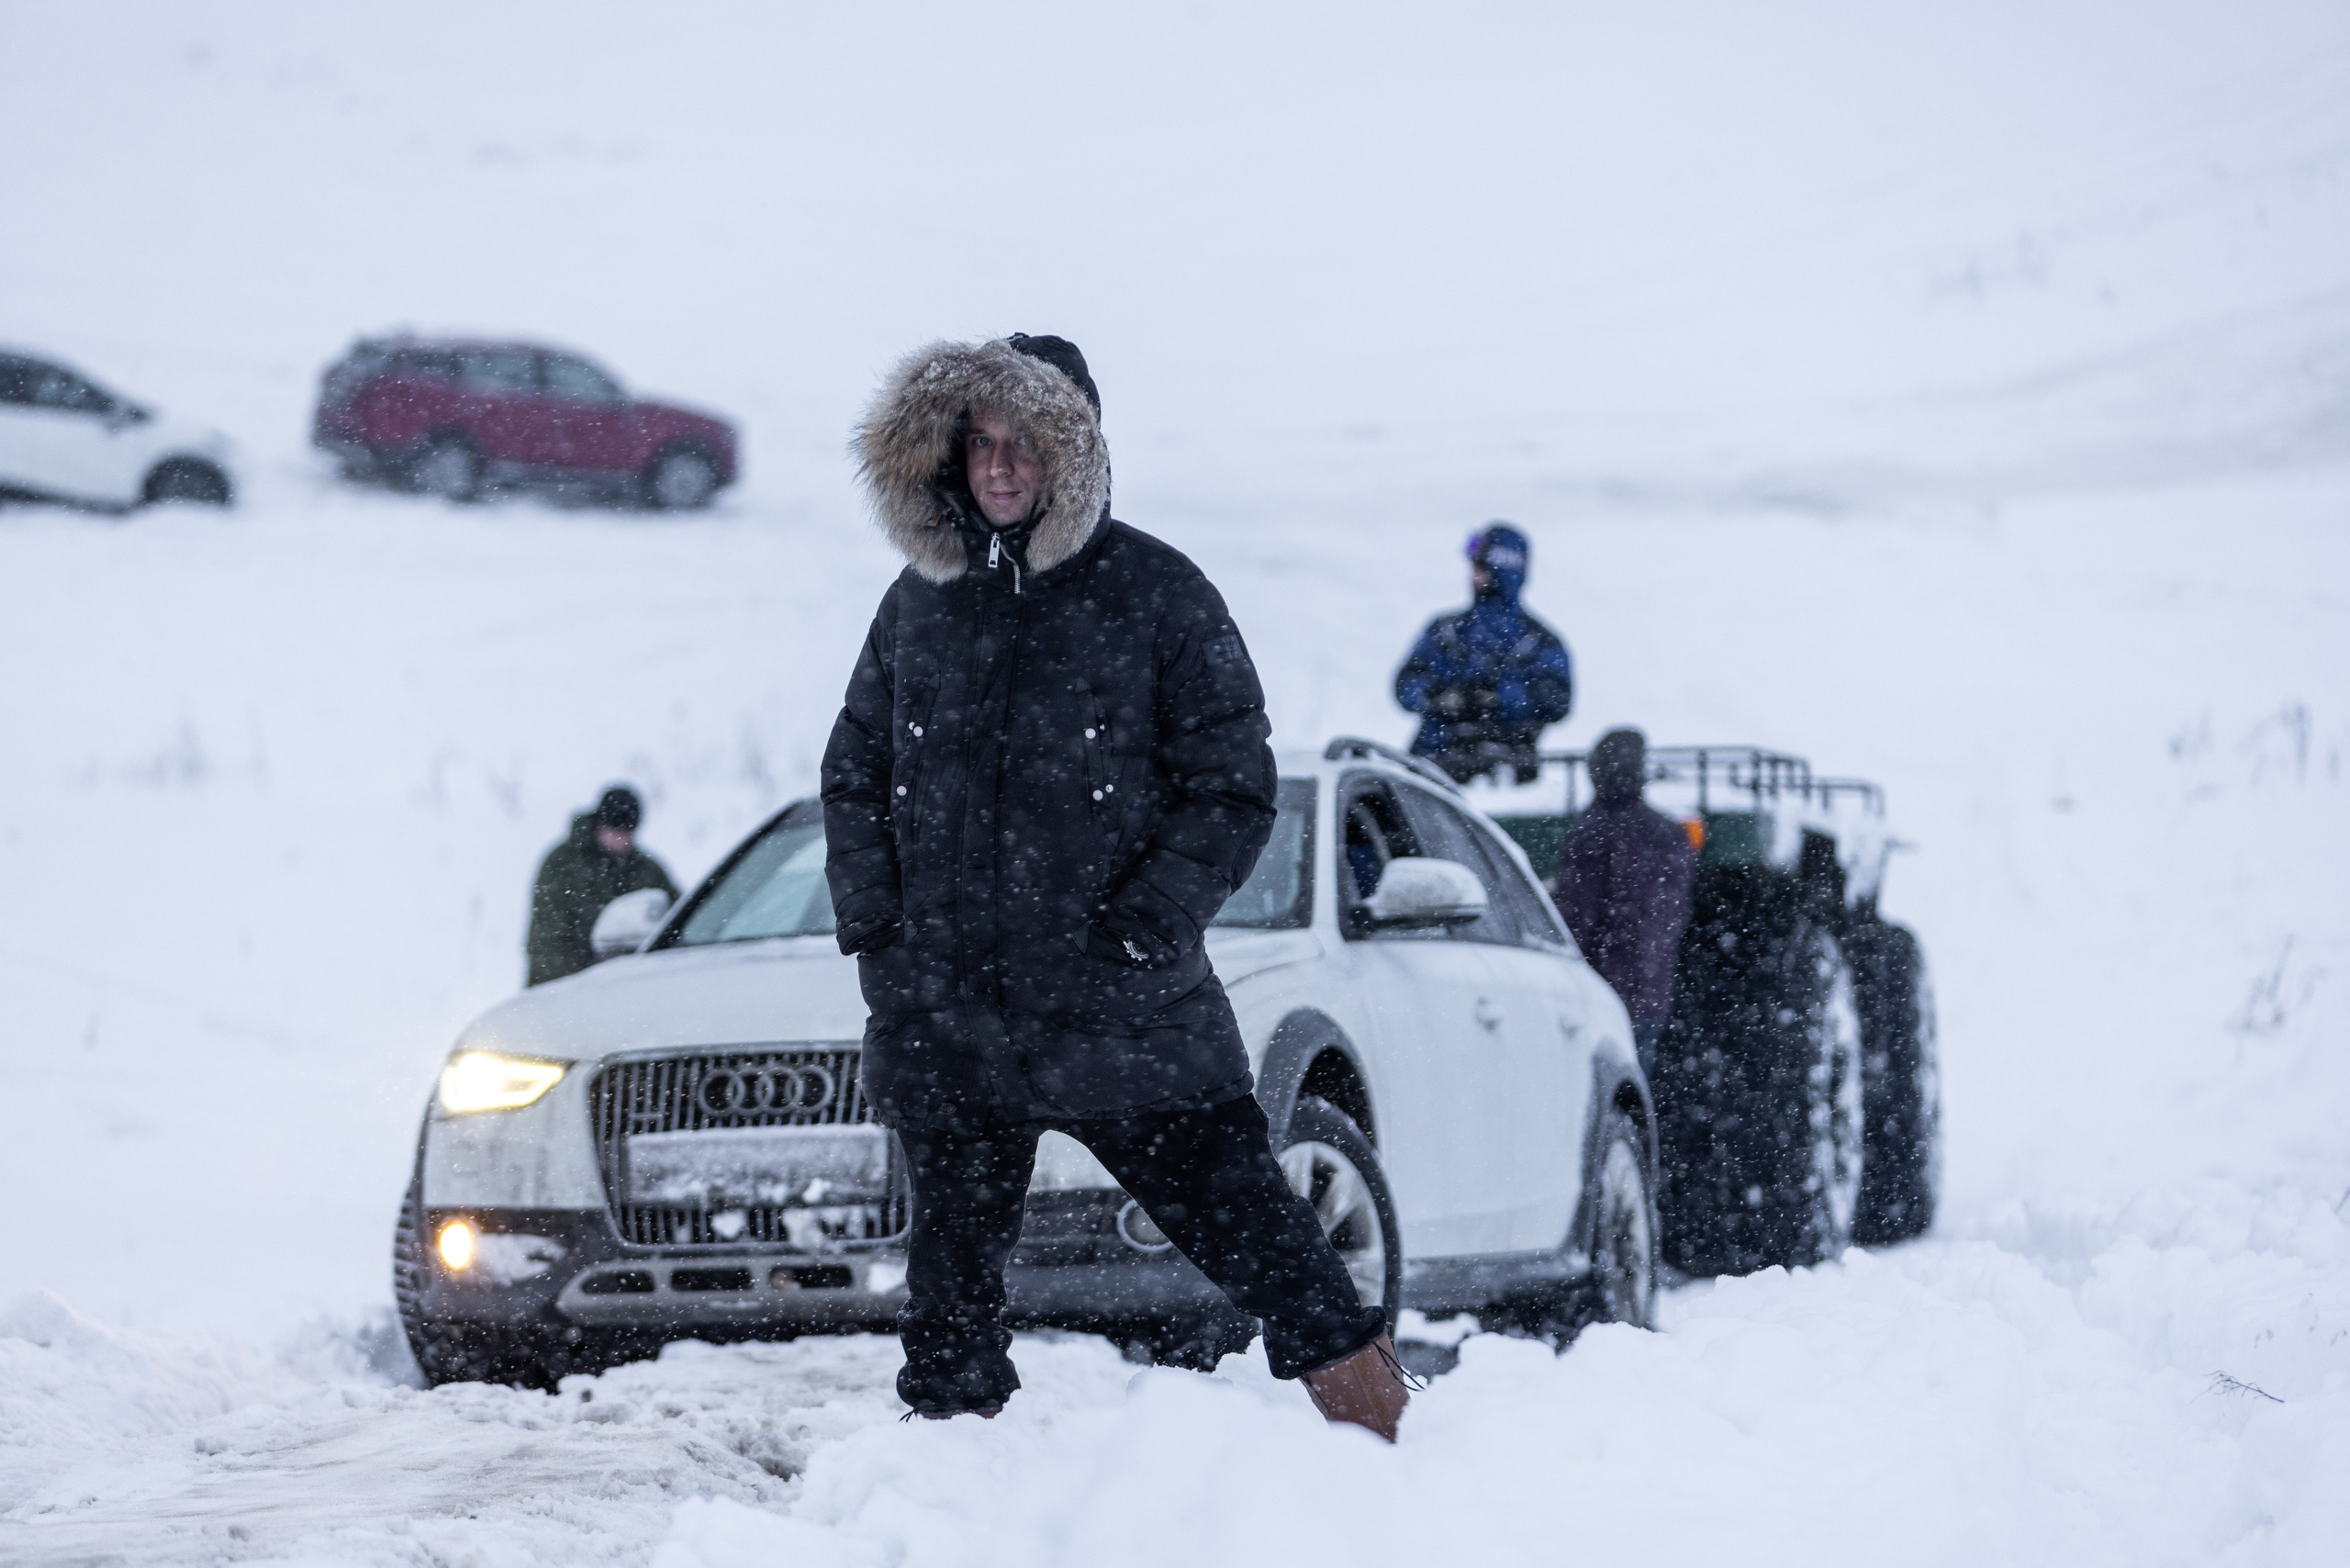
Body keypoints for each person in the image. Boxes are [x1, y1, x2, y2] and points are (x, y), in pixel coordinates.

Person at [822, 333, 1411, 1437]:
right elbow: (854, 774)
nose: (1001, 465)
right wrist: (882, 934)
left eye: (1026, 442)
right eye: (981, 443)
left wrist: (1145, 926)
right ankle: (947, 1476)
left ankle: (1381, 1432)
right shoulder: (917, 605)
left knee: (1256, 1231)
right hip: (951, 1014)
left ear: (1075, 452)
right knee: (949, 1295)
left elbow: (1231, 785)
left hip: (1124, 1012)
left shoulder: (1159, 593)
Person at [1550, 730, 1695, 1070]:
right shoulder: (1669, 834)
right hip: (1652, 990)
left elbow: (1575, 918)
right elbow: (1675, 913)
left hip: (1600, 993)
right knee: (1634, 1084)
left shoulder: (1591, 834)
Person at [1393, 523, 1575, 784]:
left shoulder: (1538, 643)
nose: (1473, 577)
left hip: (1509, 773)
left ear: (1504, 572)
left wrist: (1497, 698)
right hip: (1435, 768)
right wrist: (1438, 697)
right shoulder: (1445, 632)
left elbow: (1556, 701)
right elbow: (1405, 685)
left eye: (1482, 570)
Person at [523, 786, 678, 987]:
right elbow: (546, 941)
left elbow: (679, 917)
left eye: (628, 833)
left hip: (632, 985)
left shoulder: (647, 870)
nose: (622, 840)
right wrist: (585, 981)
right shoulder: (562, 865)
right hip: (566, 986)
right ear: (599, 825)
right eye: (615, 831)